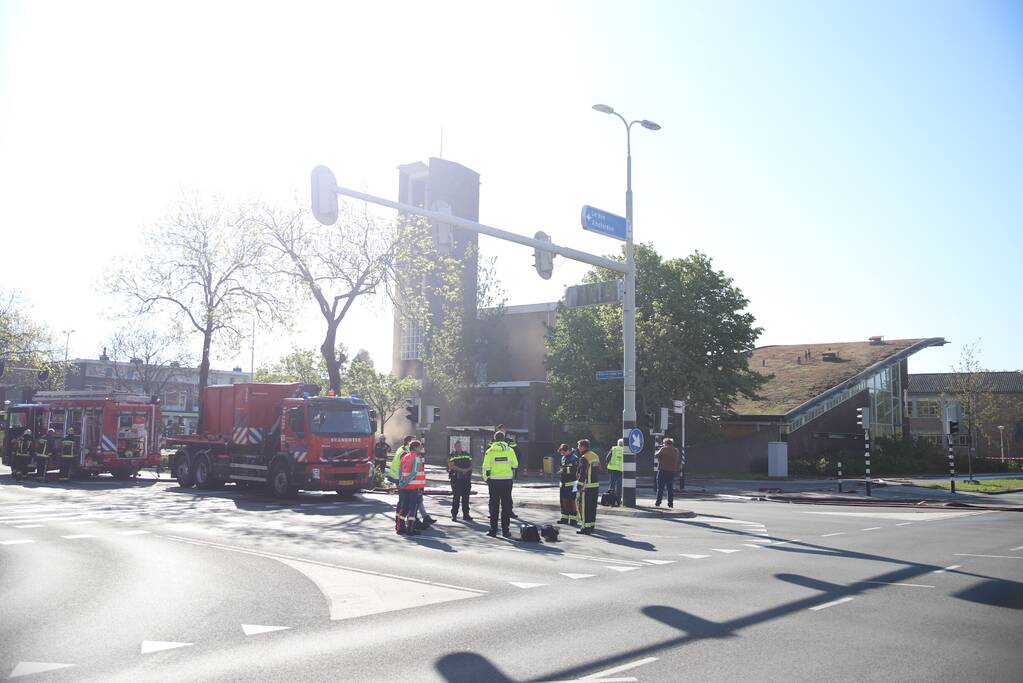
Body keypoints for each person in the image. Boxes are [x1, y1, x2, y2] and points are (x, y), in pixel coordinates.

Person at [482, 431, 517, 538]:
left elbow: (485, 467)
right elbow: (515, 464)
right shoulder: (510, 450)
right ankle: (505, 531)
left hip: (494, 481)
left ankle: (493, 530)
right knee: (506, 506)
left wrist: (486, 478)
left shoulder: (490, 451)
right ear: (504, 438)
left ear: (495, 439)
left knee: (494, 506)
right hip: (506, 481)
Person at [396, 440, 426, 535]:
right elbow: (414, 473)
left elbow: (400, 471)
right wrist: (406, 482)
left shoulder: (405, 457)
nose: (421, 448)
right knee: (412, 509)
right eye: (420, 447)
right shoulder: (416, 458)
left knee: (404, 508)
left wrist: (402, 483)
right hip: (413, 487)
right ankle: (410, 529)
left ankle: (400, 527)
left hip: (404, 488)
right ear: (415, 448)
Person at [575, 439, 601, 534]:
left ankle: (585, 528)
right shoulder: (595, 455)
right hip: (596, 485)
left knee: (585, 508)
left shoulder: (584, 457)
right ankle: (591, 526)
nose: (578, 448)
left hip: (587, 487)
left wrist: (579, 486)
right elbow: (599, 469)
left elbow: (582, 474)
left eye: (579, 446)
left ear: (583, 447)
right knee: (593, 507)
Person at [447, 440, 473, 521]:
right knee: (456, 497)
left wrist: (467, 470)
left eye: (460, 446)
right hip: (456, 479)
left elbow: (472, 464)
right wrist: (462, 470)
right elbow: (451, 466)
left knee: (466, 497)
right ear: (454, 447)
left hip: (466, 478)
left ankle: (466, 514)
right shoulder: (452, 455)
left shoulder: (467, 454)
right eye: (457, 446)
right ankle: (454, 515)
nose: (459, 447)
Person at [654, 437, 681, 508]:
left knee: (660, 488)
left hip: (662, 471)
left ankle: (658, 502)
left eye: (663, 443)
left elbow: (656, 455)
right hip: (671, 471)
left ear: (665, 443)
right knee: (670, 488)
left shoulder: (663, 449)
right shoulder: (676, 450)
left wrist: (661, 449)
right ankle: (670, 503)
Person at [557, 443, 579, 525]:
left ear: (568, 451)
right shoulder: (563, 458)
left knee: (572, 502)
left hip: (572, 484)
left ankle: (573, 520)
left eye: (563, 452)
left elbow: (575, 471)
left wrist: (564, 470)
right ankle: (564, 518)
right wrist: (562, 470)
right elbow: (562, 467)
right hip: (563, 484)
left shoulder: (575, 458)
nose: (562, 454)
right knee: (563, 502)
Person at [605, 438, 624, 505]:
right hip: (621, 470)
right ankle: (618, 501)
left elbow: (607, 458)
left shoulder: (614, 449)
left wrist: (608, 465)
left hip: (612, 469)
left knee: (612, 485)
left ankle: (610, 500)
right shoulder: (625, 450)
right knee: (619, 485)